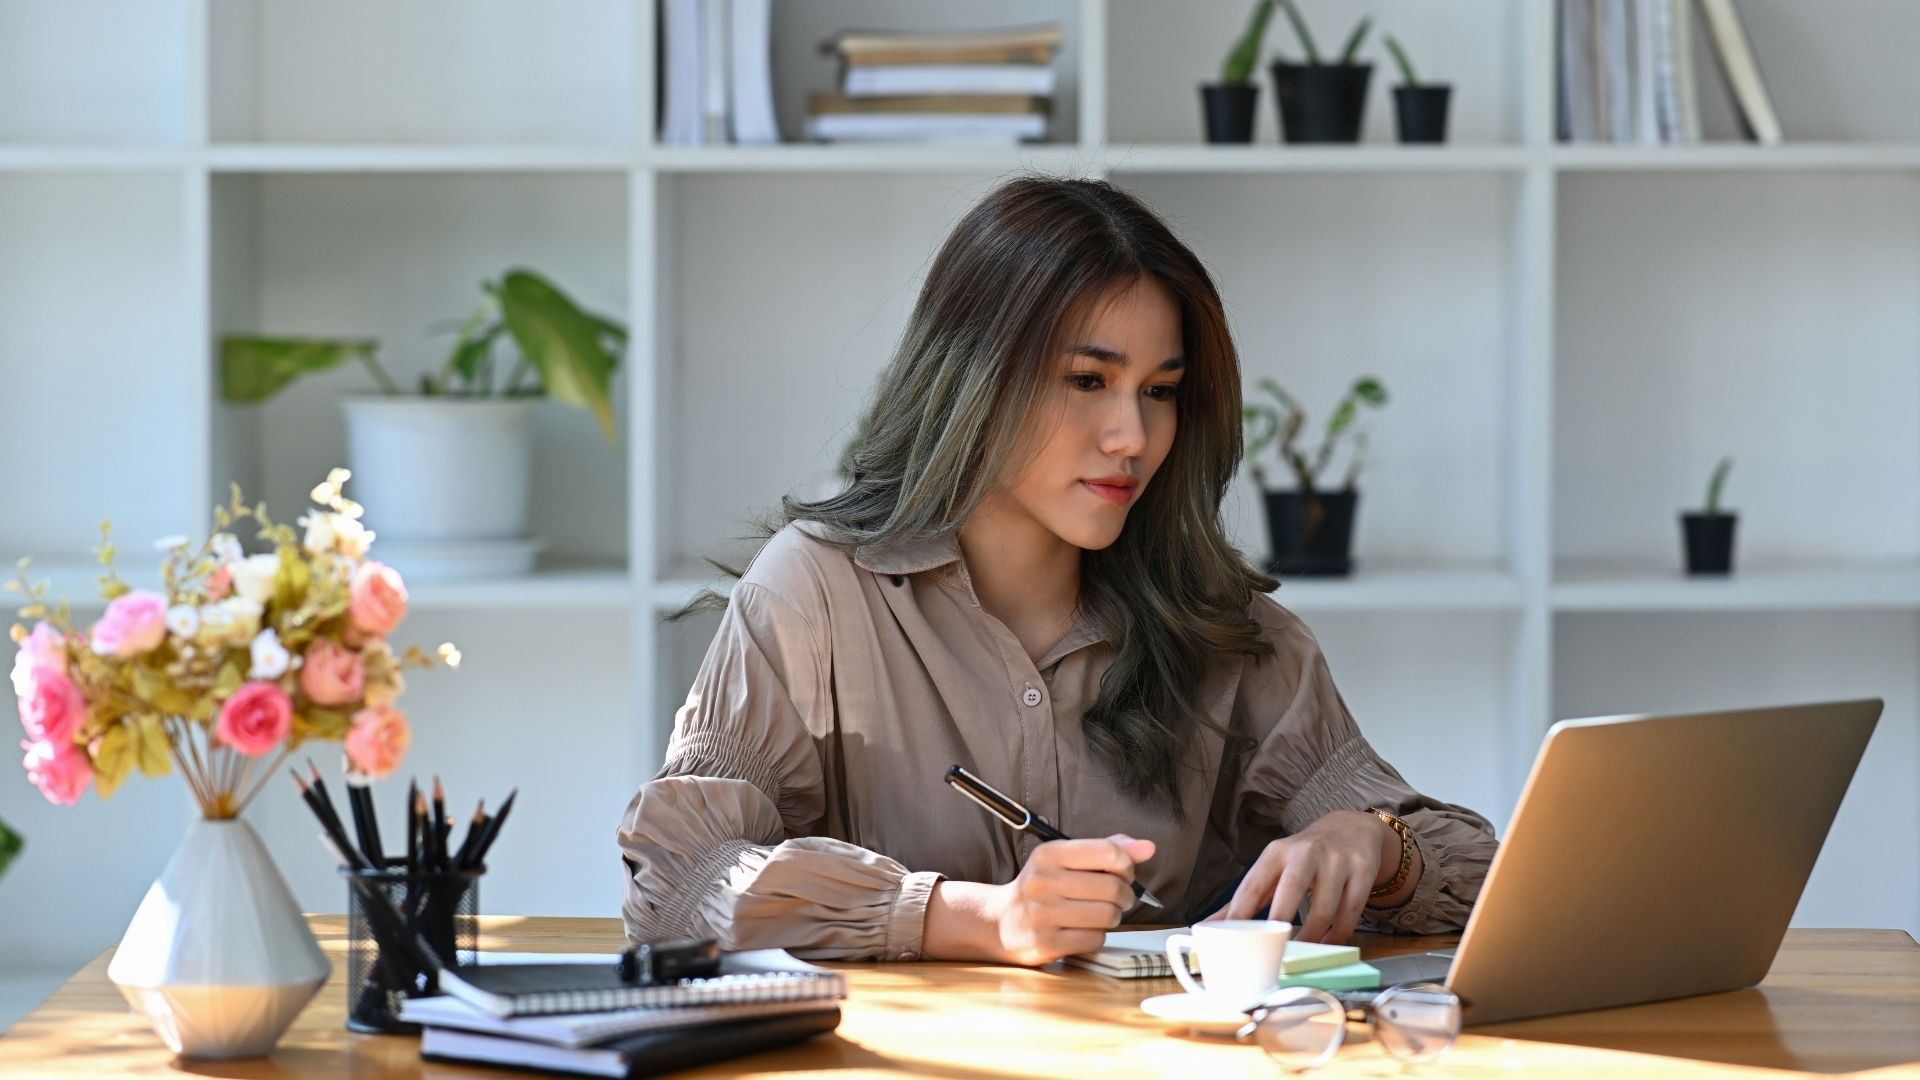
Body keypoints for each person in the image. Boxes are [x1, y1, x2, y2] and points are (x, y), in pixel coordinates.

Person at [617, 175, 1498, 966]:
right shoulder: (815, 595)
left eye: (1159, 391)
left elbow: (1488, 875)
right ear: (975, 378)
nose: (1134, 436)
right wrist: (968, 917)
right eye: (1088, 381)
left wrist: (1375, 842)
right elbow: (680, 882)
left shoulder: (1222, 625)